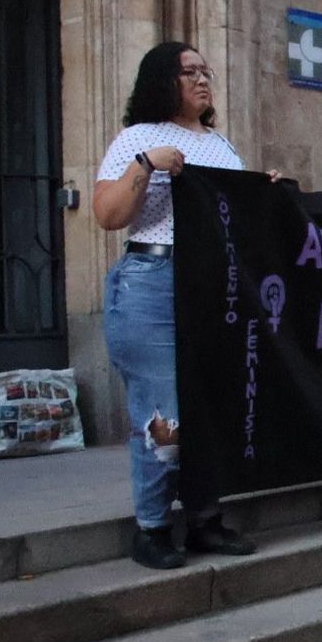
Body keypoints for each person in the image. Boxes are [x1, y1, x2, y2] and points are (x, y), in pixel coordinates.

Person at [93, 42, 269, 569]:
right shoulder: (137, 139)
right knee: (164, 412)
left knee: (212, 407)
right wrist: (146, 166)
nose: (201, 79)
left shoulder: (221, 145)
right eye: (188, 71)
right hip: (153, 282)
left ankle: (204, 520)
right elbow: (107, 214)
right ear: (161, 80)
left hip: (214, 285)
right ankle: (151, 527)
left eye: (205, 71)